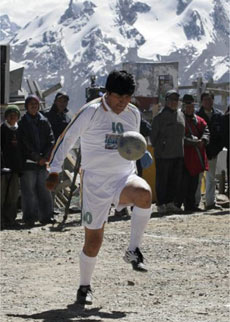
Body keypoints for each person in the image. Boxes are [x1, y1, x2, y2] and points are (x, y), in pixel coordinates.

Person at [46, 70, 152, 305]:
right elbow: (67, 139)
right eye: (118, 98)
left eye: (127, 99)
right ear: (107, 93)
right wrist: (53, 170)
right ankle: (84, 287)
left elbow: (131, 141)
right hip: (95, 182)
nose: (122, 104)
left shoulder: (133, 113)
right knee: (94, 242)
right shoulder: (90, 112)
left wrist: (141, 152)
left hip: (123, 176)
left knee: (144, 195)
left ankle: (133, 250)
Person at [18, 95, 55, 227]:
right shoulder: (22, 123)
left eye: (36, 103)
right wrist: (37, 157)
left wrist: (45, 157)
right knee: (29, 191)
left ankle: (46, 216)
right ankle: (29, 218)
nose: (34, 106)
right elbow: (24, 143)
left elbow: (51, 140)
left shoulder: (44, 121)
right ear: (27, 106)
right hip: (28, 162)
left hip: (43, 162)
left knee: (45, 190)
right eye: (31, 104)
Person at [150, 89, 185, 214]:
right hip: (163, 155)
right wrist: (161, 147)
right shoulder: (159, 117)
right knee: (162, 181)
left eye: (176, 100)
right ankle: (161, 204)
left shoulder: (181, 115)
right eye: (171, 99)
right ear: (166, 101)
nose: (174, 102)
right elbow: (153, 138)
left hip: (178, 154)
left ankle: (170, 203)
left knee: (174, 180)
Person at [178, 94, 209, 212]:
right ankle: (179, 204)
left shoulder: (199, 120)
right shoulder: (179, 120)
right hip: (184, 156)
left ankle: (191, 205)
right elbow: (179, 137)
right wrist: (193, 142)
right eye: (187, 106)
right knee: (183, 183)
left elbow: (206, 131)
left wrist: (204, 140)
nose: (190, 109)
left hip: (196, 156)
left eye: (192, 106)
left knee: (194, 183)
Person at [196, 92, 223, 210]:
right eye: (205, 100)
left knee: (211, 177)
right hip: (199, 152)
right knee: (198, 177)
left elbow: (222, 134)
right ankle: (195, 203)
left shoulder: (218, 115)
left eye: (210, 99)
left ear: (213, 100)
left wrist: (216, 149)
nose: (208, 102)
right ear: (202, 101)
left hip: (213, 152)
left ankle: (210, 202)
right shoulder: (196, 115)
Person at [1, 105, 24, 229]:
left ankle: (10, 219)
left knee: (13, 195)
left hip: (15, 169)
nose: (13, 117)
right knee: (1, 195)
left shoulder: (19, 130)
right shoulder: (2, 129)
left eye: (15, 114)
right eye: (10, 114)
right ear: (6, 116)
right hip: (2, 170)